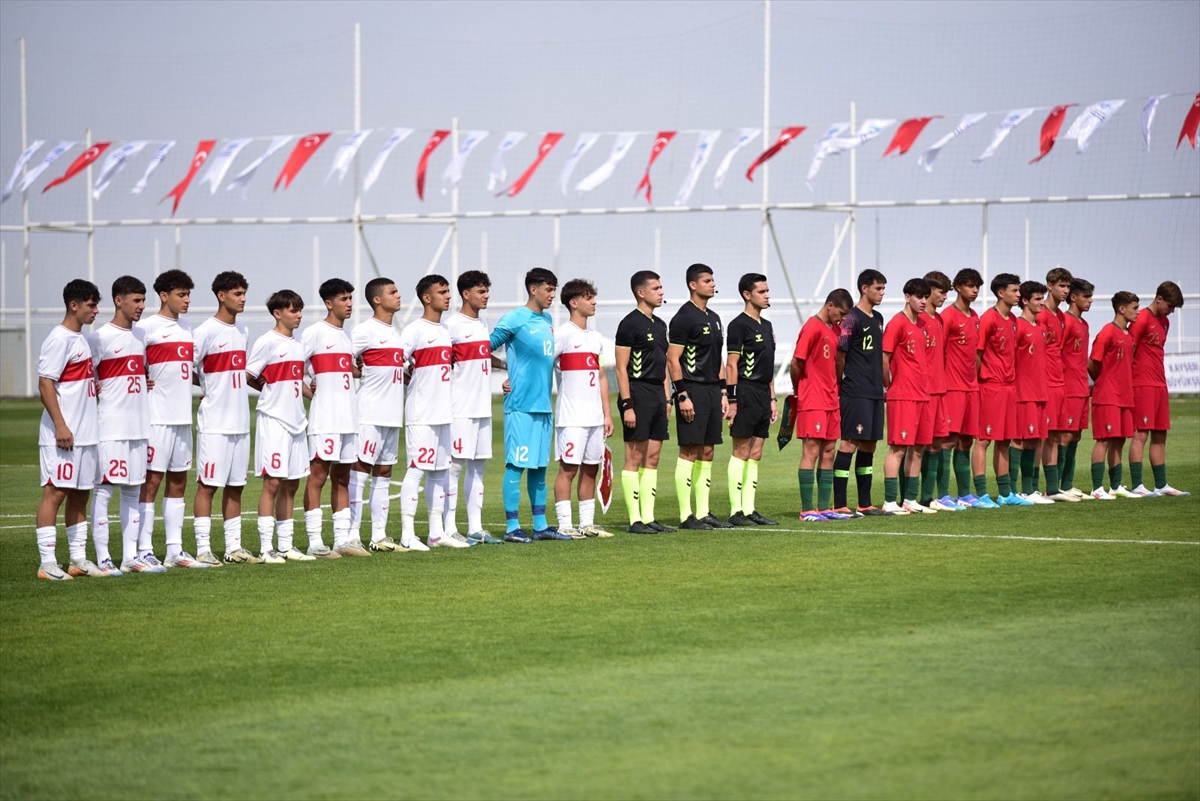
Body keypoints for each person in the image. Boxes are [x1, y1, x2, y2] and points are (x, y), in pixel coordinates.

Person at [89, 275, 164, 573]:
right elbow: (85, 376)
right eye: (136, 300)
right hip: (111, 428)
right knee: (105, 491)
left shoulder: (141, 336)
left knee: (133, 491)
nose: (142, 306)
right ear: (118, 300)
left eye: (144, 300)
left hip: (139, 427)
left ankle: (130, 557)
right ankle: (104, 557)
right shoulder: (99, 338)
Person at [490, 268, 571, 542]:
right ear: (533, 289)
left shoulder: (547, 319)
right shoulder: (514, 318)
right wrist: (504, 372)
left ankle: (541, 526)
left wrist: (506, 367)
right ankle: (512, 528)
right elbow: (482, 349)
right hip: (520, 406)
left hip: (543, 405)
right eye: (548, 290)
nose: (552, 295)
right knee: (516, 465)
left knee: (539, 467)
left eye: (554, 290)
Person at [137, 269, 210, 568]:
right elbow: (131, 365)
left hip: (182, 418)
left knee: (178, 481)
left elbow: (188, 372)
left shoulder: (188, 329)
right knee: (151, 482)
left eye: (189, 294)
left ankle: (174, 551)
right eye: (181, 294)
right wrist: (143, 378)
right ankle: (143, 549)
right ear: (164, 296)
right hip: (156, 418)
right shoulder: (145, 329)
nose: (187, 300)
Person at [35, 279, 103, 580]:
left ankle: (78, 559)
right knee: (56, 493)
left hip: (86, 434)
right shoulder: (58, 338)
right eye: (91, 305)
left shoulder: (81, 339)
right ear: (73, 305)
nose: (96, 311)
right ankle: (47, 563)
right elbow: (45, 383)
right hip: (63, 435)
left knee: (80, 494)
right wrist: (61, 424)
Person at [397, 274, 467, 550]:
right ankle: (407, 533)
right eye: (442, 292)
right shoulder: (414, 330)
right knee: (416, 470)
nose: (448, 296)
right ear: (427, 298)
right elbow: (396, 364)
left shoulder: (446, 331)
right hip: (421, 413)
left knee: (440, 472)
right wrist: (410, 379)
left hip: (443, 414)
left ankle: (436, 533)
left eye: (449, 291)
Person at [193, 271, 257, 563]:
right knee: (208, 484)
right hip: (214, 423)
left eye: (244, 293)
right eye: (237, 294)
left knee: (236, 485)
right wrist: (207, 386)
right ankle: (204, 548)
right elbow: (187, 368)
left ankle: (233, 547)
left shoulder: (243, 332)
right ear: (221, 295)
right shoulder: (205, 331)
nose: (243, 299)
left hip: (240, 422)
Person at [246, 289, 312, 563]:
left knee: (292, 483)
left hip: (297, 421)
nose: (298, 315)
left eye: (300, 310)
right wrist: (270, 392)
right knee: (272, 483)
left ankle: (286, 546)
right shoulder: (267, 342)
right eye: (293, 310)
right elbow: (250, 375)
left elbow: (297, 382)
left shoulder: (298, 344)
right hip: (274, 420)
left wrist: (312, 393)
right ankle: (265, 548)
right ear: (278, 313)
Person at [667, 263, 731, 530]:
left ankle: (703, 512)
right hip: (692, 389)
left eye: (713, 280)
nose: (712, 284)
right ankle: (686, 516)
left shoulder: (715, 317)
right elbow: (673, 358)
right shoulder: (683, 318)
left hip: (713, 391)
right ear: (693, 285)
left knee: (707, 451)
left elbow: (718, 358)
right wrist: (682, 394)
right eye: (707, 280)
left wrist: (724, 392)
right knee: (690, 451)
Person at [444, 270, 504, 545]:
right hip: (460, 407)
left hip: (482, 407)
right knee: (454, 467)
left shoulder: (483, 323)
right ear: (466, 294)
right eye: (481, 291)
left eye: (487, 290)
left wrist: (503, 364)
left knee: (478, 467)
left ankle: (475, 528)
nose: (486, 295)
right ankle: (448, 528)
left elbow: (481, 354)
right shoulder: (450, 326)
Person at [300, 278, 357, 559]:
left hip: (348, 419)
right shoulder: (314, 333)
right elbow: (292, 369)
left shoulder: (348, 336)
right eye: (343, 299)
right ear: (328, 303)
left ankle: (342, 540)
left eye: (350, 298)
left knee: (343, 478)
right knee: (317, 477)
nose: (349, 304)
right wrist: (313, 396)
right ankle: (314, 542)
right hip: (325, 419)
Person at [552, 279, 614, 538]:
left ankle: (586, 524)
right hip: (571, 417)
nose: (594, 302)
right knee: (568, 469)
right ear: (573, 302)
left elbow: (600, 377)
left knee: (592, 467)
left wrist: (607, 414)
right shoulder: (561, 334)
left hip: (595, 418)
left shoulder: (596, 339)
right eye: (589, 298)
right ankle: (565, 524)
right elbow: (542, 365)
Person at [614, 271, 675, 534]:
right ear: (641, 292)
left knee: (653, 456)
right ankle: (635, 520)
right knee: (634, 456)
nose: (661, 292)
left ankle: (649, 518)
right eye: (656, 288)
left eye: (662, 288)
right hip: (636, 394)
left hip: (657, 396)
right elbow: (620, 368)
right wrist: (627, 404)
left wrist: (668, 398)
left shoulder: (661, 325)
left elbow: (662, 366)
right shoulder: (629, 324)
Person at [347, 277, 404, 555]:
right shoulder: (364, 331)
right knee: (360, 470)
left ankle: (378, 536)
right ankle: (351, 535)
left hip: (393, 415)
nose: (399, 295)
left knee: (384, 471)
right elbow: (342, 360)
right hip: (369, 412)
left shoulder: (396, 333)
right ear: (377, 299)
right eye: (393, 292)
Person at [791, 289, 853, 522]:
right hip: (813, 400)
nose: (843, 318)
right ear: (829, 305)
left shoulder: (835, 330)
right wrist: (801, 390)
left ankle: (825, 507)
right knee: (812, 450)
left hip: (831, 399)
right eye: (841, 312)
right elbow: (796, 363)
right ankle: (807, 509)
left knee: (828, 451)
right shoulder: (812, 327)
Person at [724, 273, 781, 526]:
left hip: (762, 394)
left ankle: (750, 509)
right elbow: (732, 365)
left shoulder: (767, 326)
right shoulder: (738, 325)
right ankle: (736, 511)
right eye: (762, 291)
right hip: (745, 391)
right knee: (741, 451)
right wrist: (733, 400)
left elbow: (768, 366)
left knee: (756, 453)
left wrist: (772, 399)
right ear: (747, 295)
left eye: (767, 291)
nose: (767, 295)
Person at [973, 273, 1032, 507]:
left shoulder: (1014, 321)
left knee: (1005, 440)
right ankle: (980, 494)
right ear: (1001, 293)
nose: (1019, 295)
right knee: (984, 440)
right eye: (1015, 291)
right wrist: (984, 380)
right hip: (991, 387)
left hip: (1009, 388)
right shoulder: (989, 319)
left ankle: (1006, 493)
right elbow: (977, 355)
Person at [832, 269, 888, 516]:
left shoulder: (878, 318)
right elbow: (840, 355)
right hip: (855, 391)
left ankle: (865, 503)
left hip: (875, 391)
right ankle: (840, 503)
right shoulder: (850, 319)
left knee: (870, 445)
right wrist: (839, 383)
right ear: (864, 288)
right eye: (878, 288)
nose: (882, 293)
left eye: (884, 288)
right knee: (849, 443)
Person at [1129, 281, 1189, 497]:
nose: (1171, 311)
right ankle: (1137, 485)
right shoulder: (1141, 318)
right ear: (1159, 299)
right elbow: (1130, 350)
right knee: (1140, 434)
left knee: (1160, 434)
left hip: (1160, 384)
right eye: (1170, 306)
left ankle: (1161, 485)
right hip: (1141, 384)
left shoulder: (1164, 322)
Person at [881, 278, 934, 516]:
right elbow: (884, 359)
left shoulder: (923, 325)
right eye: (918, 297)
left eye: (925, 297)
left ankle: (910, 500)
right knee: (898, 449)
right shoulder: (897, 323)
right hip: (902, 396)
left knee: (919, 448)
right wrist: (889, 385)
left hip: (922, 396)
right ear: (907, 297)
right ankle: (889, 501)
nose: (923, 301)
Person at [941, 268, 992, 508]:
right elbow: (938, 353)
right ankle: (942, 495)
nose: (974, 290)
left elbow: (977, 355)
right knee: (948, 441)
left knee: (965, 442)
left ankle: (964, 493)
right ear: (958, 287)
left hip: (972, 388)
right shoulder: (947, 316)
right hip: (952, 388)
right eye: (970, 286)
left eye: (977, 287)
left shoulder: (975, 318)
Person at [919, 271, 966, 512]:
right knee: (919, 446)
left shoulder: (939, 320)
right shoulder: (916, 321)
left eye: (947, 292)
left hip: (941, 391)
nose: (945, 297)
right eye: (941, 292)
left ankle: (934, 496)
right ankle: (915, 498)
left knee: (937, 443)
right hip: (922, 392)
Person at [1088, 291, 1141, 500]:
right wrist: (1104, 382)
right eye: (1134, 308)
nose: (1137, 312)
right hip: (1107, 396)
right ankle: (1096, 488)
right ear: (1122, 309)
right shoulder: (1107, 332)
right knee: (1103, 440)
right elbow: (1092, 362)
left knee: (1119, 440)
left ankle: (1116, 485)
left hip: (1125, 396)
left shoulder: (1129, 335)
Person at [1035, 267, 1079, 503]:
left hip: (1059, 383)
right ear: (1049, 286)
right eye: (1061, 286)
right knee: (1040, 436)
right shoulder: (1040, 315)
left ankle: (1052, 488)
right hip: (1043, 384)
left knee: (1054, 436)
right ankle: (1032, 488)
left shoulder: (1063, 318)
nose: (1065, 291)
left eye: (1067, 286)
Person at [1012, 281, 1055, 504]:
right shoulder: (1017, 326)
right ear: (1025, 300)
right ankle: (1012, 491)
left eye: (1042, 298)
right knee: (1019, 441)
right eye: (1037, 299)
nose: (1041, 303)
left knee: (1035, 441)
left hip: (1040, 392)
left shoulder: (1041, 327)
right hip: (1023, 393)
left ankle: (1030, 489)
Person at [1059, 279, 1095, 500]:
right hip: (1068, 388)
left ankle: (1067, 483)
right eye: (1086, 296)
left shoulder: (1084, 324)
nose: (1090, 301)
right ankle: (1057, 486)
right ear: (1074, 297)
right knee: (1065, 436)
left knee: (1076, 437)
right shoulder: (1066, 322)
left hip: (1083, 388)